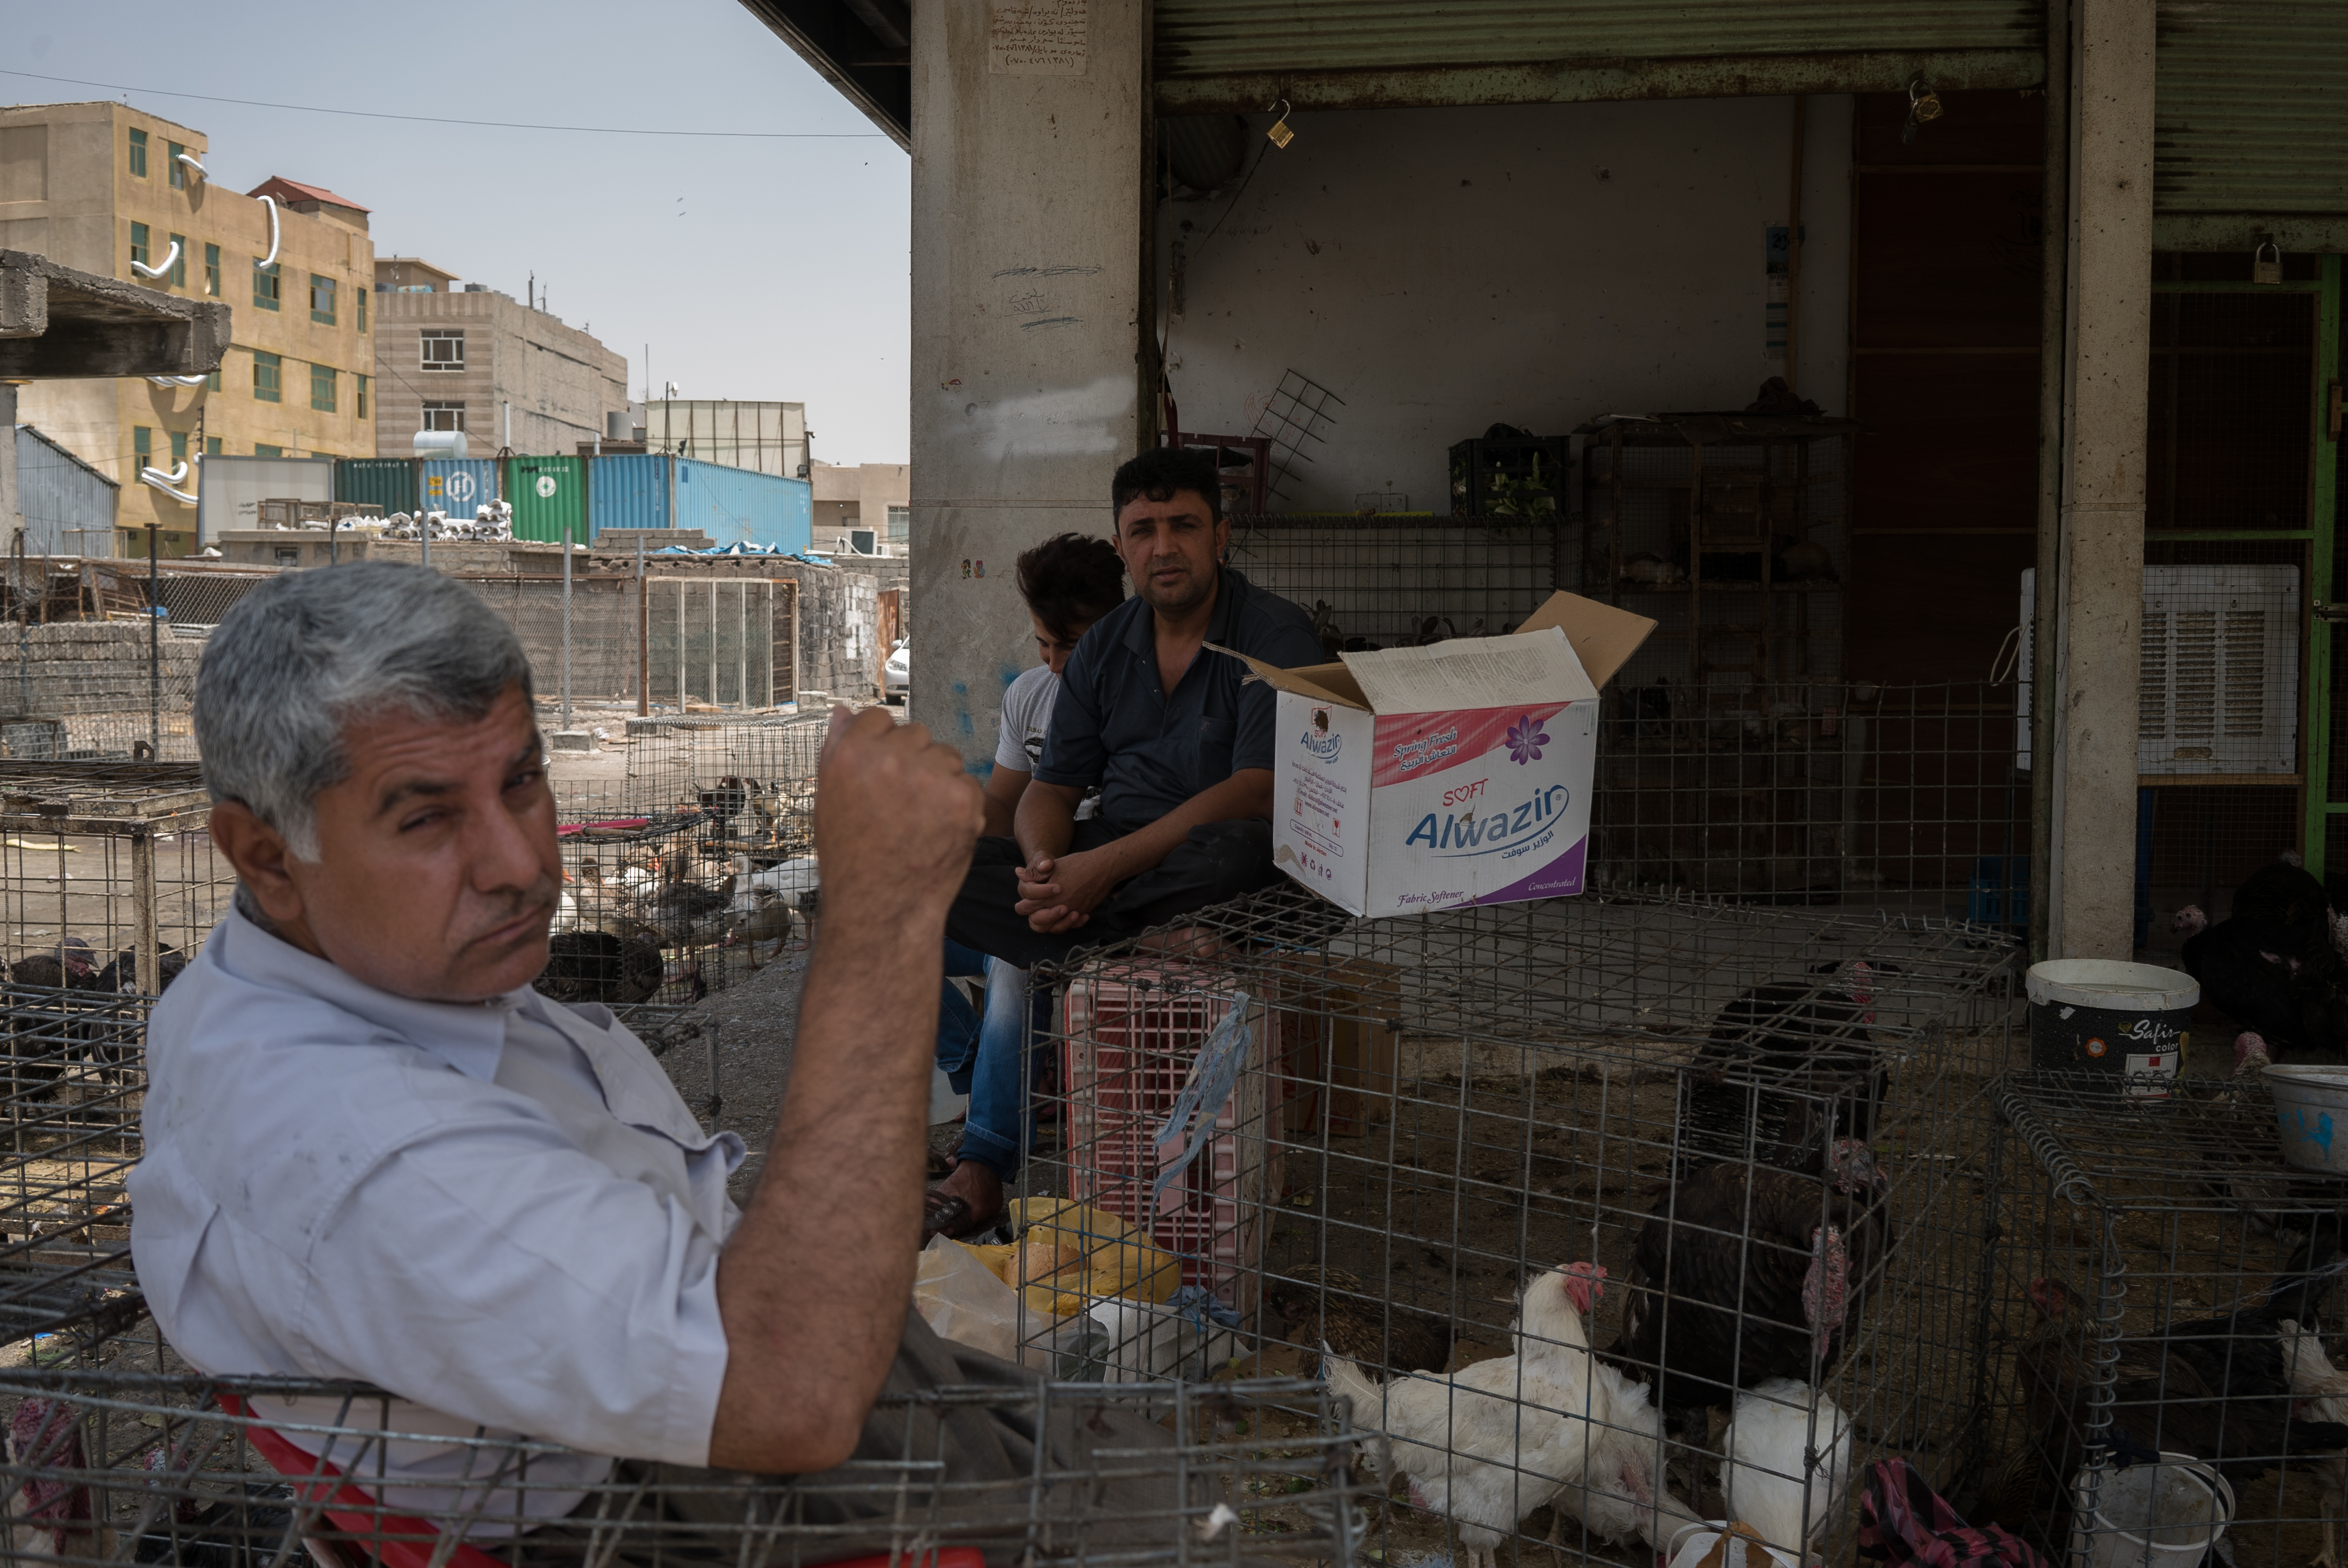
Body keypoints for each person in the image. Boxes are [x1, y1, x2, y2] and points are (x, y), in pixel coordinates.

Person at [127, 561, 1172, 1553]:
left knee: (1122, 1444)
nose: (521, 863)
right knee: (1166, 1509)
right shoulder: (365, 1153)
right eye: (427, 817)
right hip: (698, 1477)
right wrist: (883, 914)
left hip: (698, 1361)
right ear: (266, 855)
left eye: (523, 780)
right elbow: (793, 1396)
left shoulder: (304, 972)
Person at [932, 447, 1324, 1231]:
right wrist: (1049, 869)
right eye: (1143, 530)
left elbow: (1256, 789)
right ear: (1123, 546)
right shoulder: (1107, 644)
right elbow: (1051, 788)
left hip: (1228, 858)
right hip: (1128, 864)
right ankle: (1134, 936)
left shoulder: (1276, 632)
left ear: (1222, 535)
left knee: (1244, 851)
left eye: (1184, 525)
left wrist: (1099, 872)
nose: (1163, 546)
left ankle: (1095, 938)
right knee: (922, 869)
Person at [930, 534, 1125, 1240]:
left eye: (1070, 645)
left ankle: (982, 1163)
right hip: (1026, 888)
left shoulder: (1137, 699)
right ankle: (976, 1070)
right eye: (1044, 645)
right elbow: (1003, 809)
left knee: (1018, 959)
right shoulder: (1030, 696)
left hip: (1088, 912)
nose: (1054, 663)